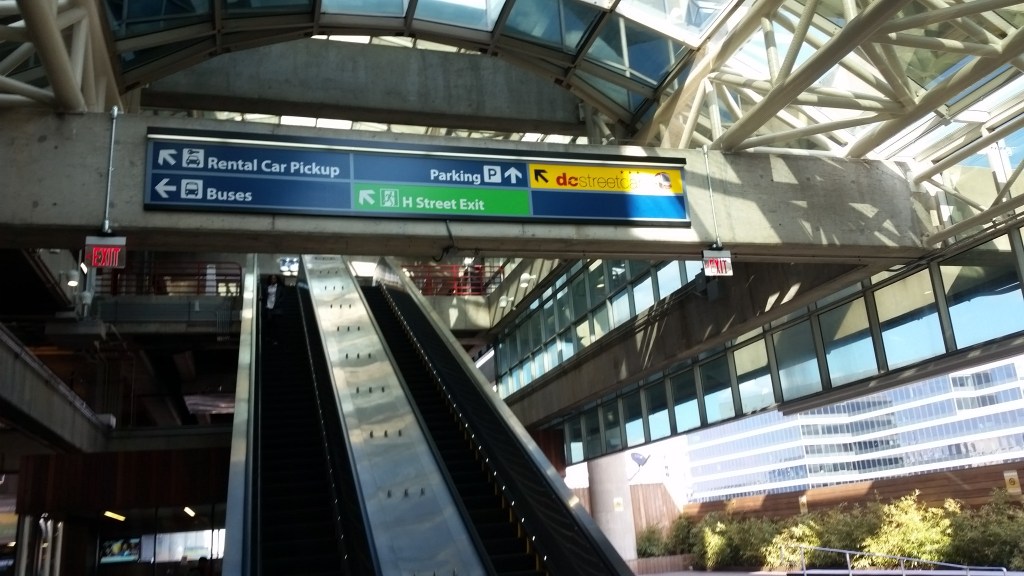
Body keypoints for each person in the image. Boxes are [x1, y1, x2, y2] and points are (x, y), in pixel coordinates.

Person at [263, 274, 285, 344]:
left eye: (274, 278)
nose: (273, 280)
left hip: (276, 309)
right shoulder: (267, 287)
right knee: (269, 323)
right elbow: (265, 296)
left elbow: (283, 297)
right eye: (272, 278)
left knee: (276, 324)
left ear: (277, 279)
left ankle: (276, 339)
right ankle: (269, 338)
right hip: (268, 307)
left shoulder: (280, 287)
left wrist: (278, 303)